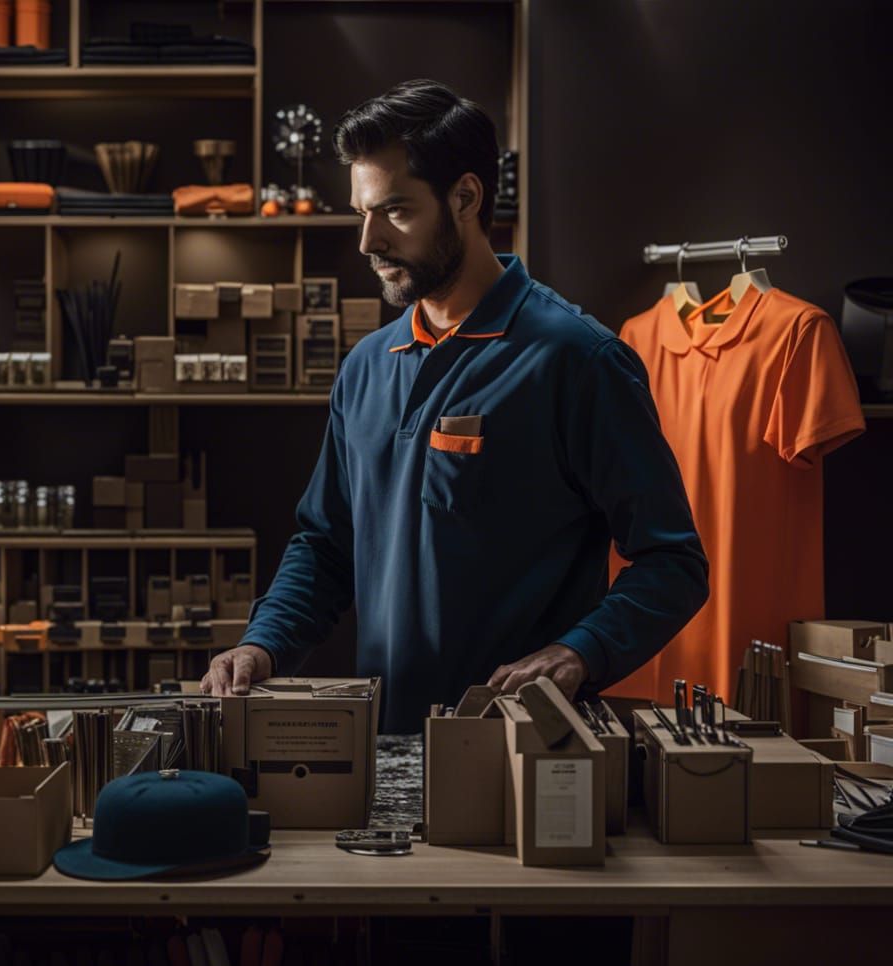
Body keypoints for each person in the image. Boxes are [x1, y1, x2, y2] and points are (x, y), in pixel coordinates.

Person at [202, 79, 709, 733]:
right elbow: (326, 545)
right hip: (386, 746)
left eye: (395, 211)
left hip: (522, 748)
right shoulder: (365, 367)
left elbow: (673, 563)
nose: (368, 241)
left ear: (465, 197)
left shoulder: (578, 361)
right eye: (362, 212)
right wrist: (262, 643)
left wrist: (581, 651)